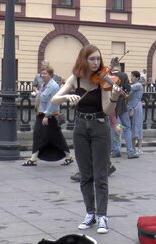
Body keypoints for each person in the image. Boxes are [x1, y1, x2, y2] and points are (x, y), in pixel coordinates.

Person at [51, 44, 122, 234]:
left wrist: (114, 97)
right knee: (85, 174)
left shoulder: (104, 80)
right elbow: (54, 99)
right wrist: (68, 98)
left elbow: (107, 110)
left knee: (100, 174)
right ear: (84, 59)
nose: (96, 63)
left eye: (98, 59)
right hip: (80, 126)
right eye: (92, 59)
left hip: (99, 126)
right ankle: (90, 213)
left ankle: (103, 217)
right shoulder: (76, 79)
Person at [21, 66, 74, 166]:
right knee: (40, 135)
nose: (42, 75)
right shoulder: (44, 85)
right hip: (41, 114)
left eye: (45, 73)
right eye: (42, 73)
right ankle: (34, 158)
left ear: (50, 75)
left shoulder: (53, 86)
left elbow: (53, 102)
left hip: (50, 116)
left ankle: (68, 156)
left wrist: (47, 116)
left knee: (56, 137)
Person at [130, 71, 144, 154]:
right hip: (131, 107)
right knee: (132, 127)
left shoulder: (138, 85)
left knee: (138, 126)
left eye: (133, 76)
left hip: (137, 107)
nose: (131, 77)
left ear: (137, 78)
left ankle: (139, 148)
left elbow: (129, 88)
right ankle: (133, 147)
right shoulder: (133, 85)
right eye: (131, 76)